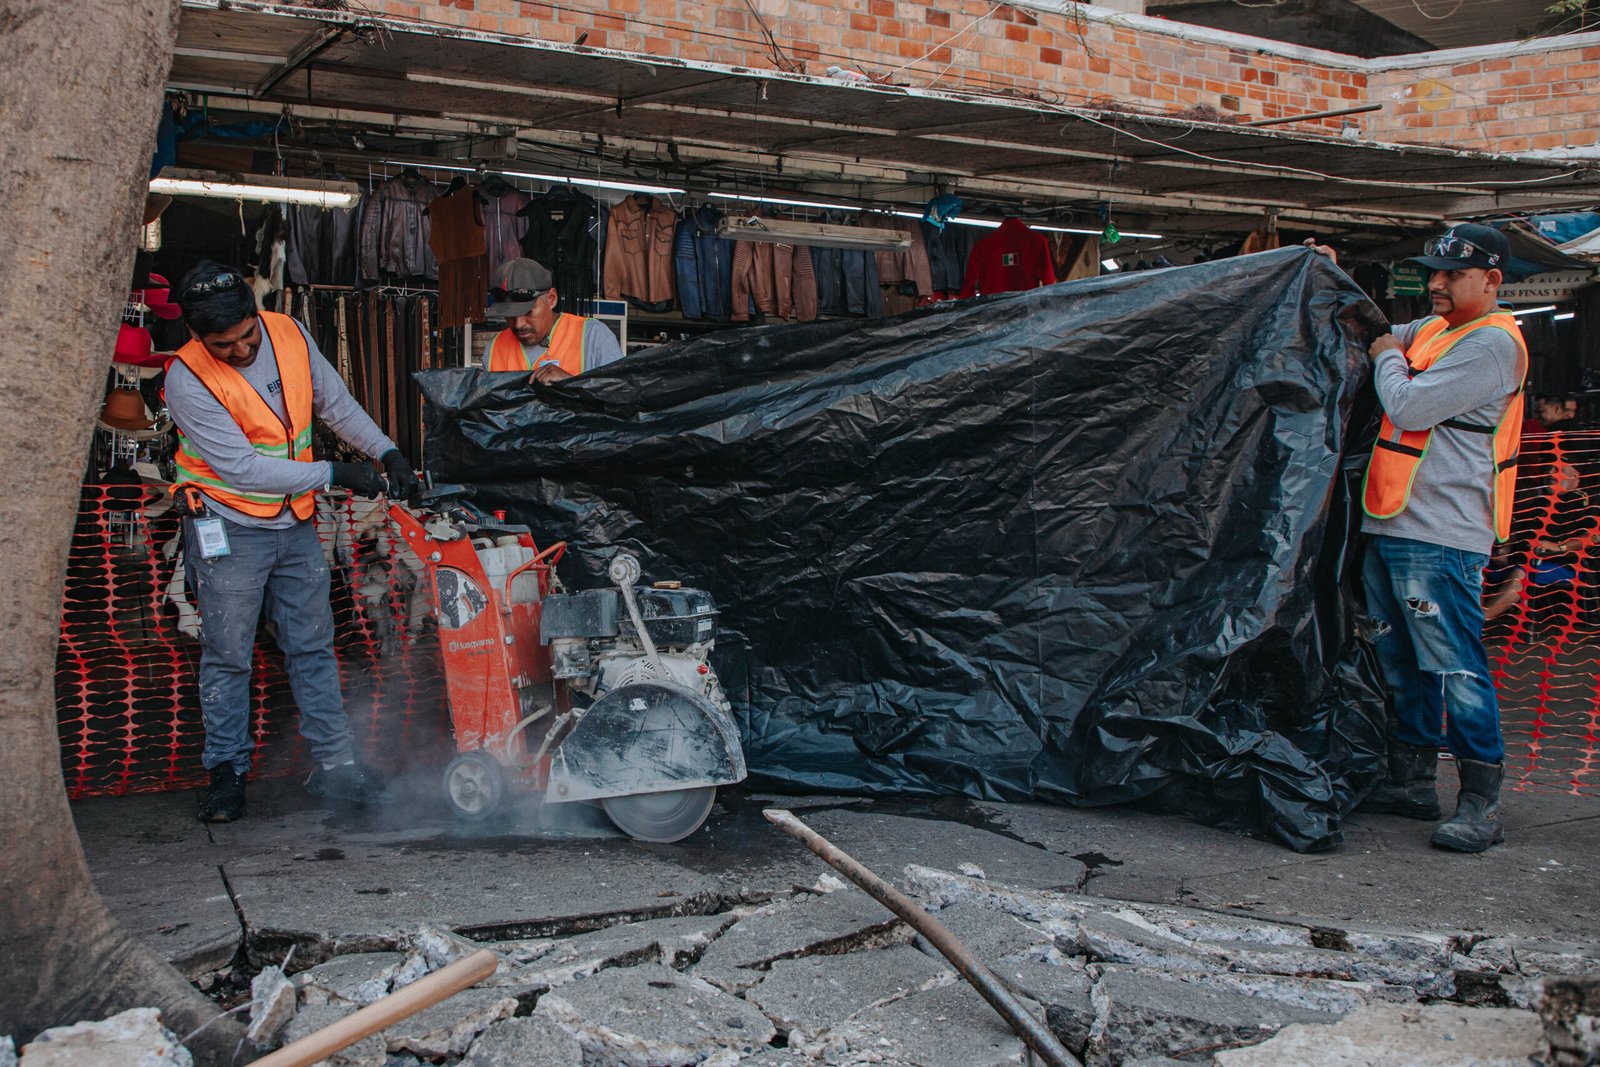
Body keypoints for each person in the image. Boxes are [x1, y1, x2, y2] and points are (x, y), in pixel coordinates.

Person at [167, 261, 422, 823]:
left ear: (257, 316)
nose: (239, 350)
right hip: (229, 523)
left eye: (246, 336)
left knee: (311, 645)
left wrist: (386, 453)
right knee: (229, 654)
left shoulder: (288, 332)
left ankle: (335, 765)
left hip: (294, 520)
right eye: (223, 345)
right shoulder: (186, 379)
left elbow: (335, 405)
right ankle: (227, 772)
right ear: (196, 336)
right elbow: (241, 469)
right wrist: (335, 475)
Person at [1309, 224, 1527, 853]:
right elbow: (1375, 327)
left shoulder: (1490, 346)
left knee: (1454, 664)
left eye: (1450, 275)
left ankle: (1480, 801)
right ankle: (1409, 781)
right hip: (1392, 521)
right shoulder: (1435, 330)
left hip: (1441, 535)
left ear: (1491, 281)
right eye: (1432, 272)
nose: (1434, 283)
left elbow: (1405, 403)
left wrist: (1385, 357)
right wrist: (1335, 273)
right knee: (1401, 661)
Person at [482, 257, 624, 382]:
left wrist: (572, 385)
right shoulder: (494, 348)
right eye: (511, 315)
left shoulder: (593, 336)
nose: (519, 324)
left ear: (551, 299)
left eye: (528, 312)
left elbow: (621, 398)